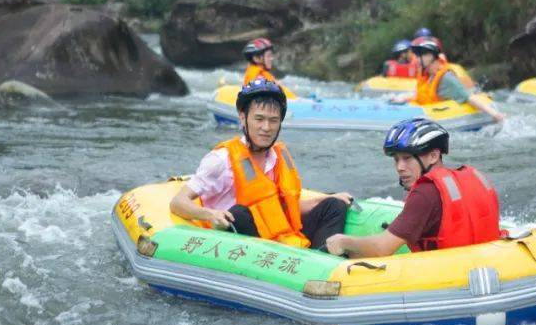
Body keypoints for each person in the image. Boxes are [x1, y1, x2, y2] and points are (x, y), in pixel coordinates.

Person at [170, 78, 351, 250]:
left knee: (334, 207)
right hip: (239, 240)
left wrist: (328, 198)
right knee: (239, 214)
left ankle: (322, 264)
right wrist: (211, 214)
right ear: (243, 118)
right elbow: (178, 202)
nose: (266, 127)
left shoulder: (278, 157)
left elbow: (286, 208)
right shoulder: (220, 160)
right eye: (259, 119)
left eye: (273, 121)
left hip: (279, 236)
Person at [326, 118, 501, 257]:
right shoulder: (473, 177)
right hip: (485, 262)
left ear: (433, 156)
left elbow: (380, 249)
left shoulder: (425, 193)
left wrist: (344, 242)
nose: (399, 167)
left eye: (407, 158)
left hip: (445, 280)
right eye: (396, 159)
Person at [407, 36, 506, 123]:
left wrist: (495, 114)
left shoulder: (446, 78)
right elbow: (419, 96)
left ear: (432, 56)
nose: (417, 59)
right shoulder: (427, 76)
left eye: (421, 55)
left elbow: (468, 97)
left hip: (448, 115)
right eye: (417, 55)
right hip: (430, 111)